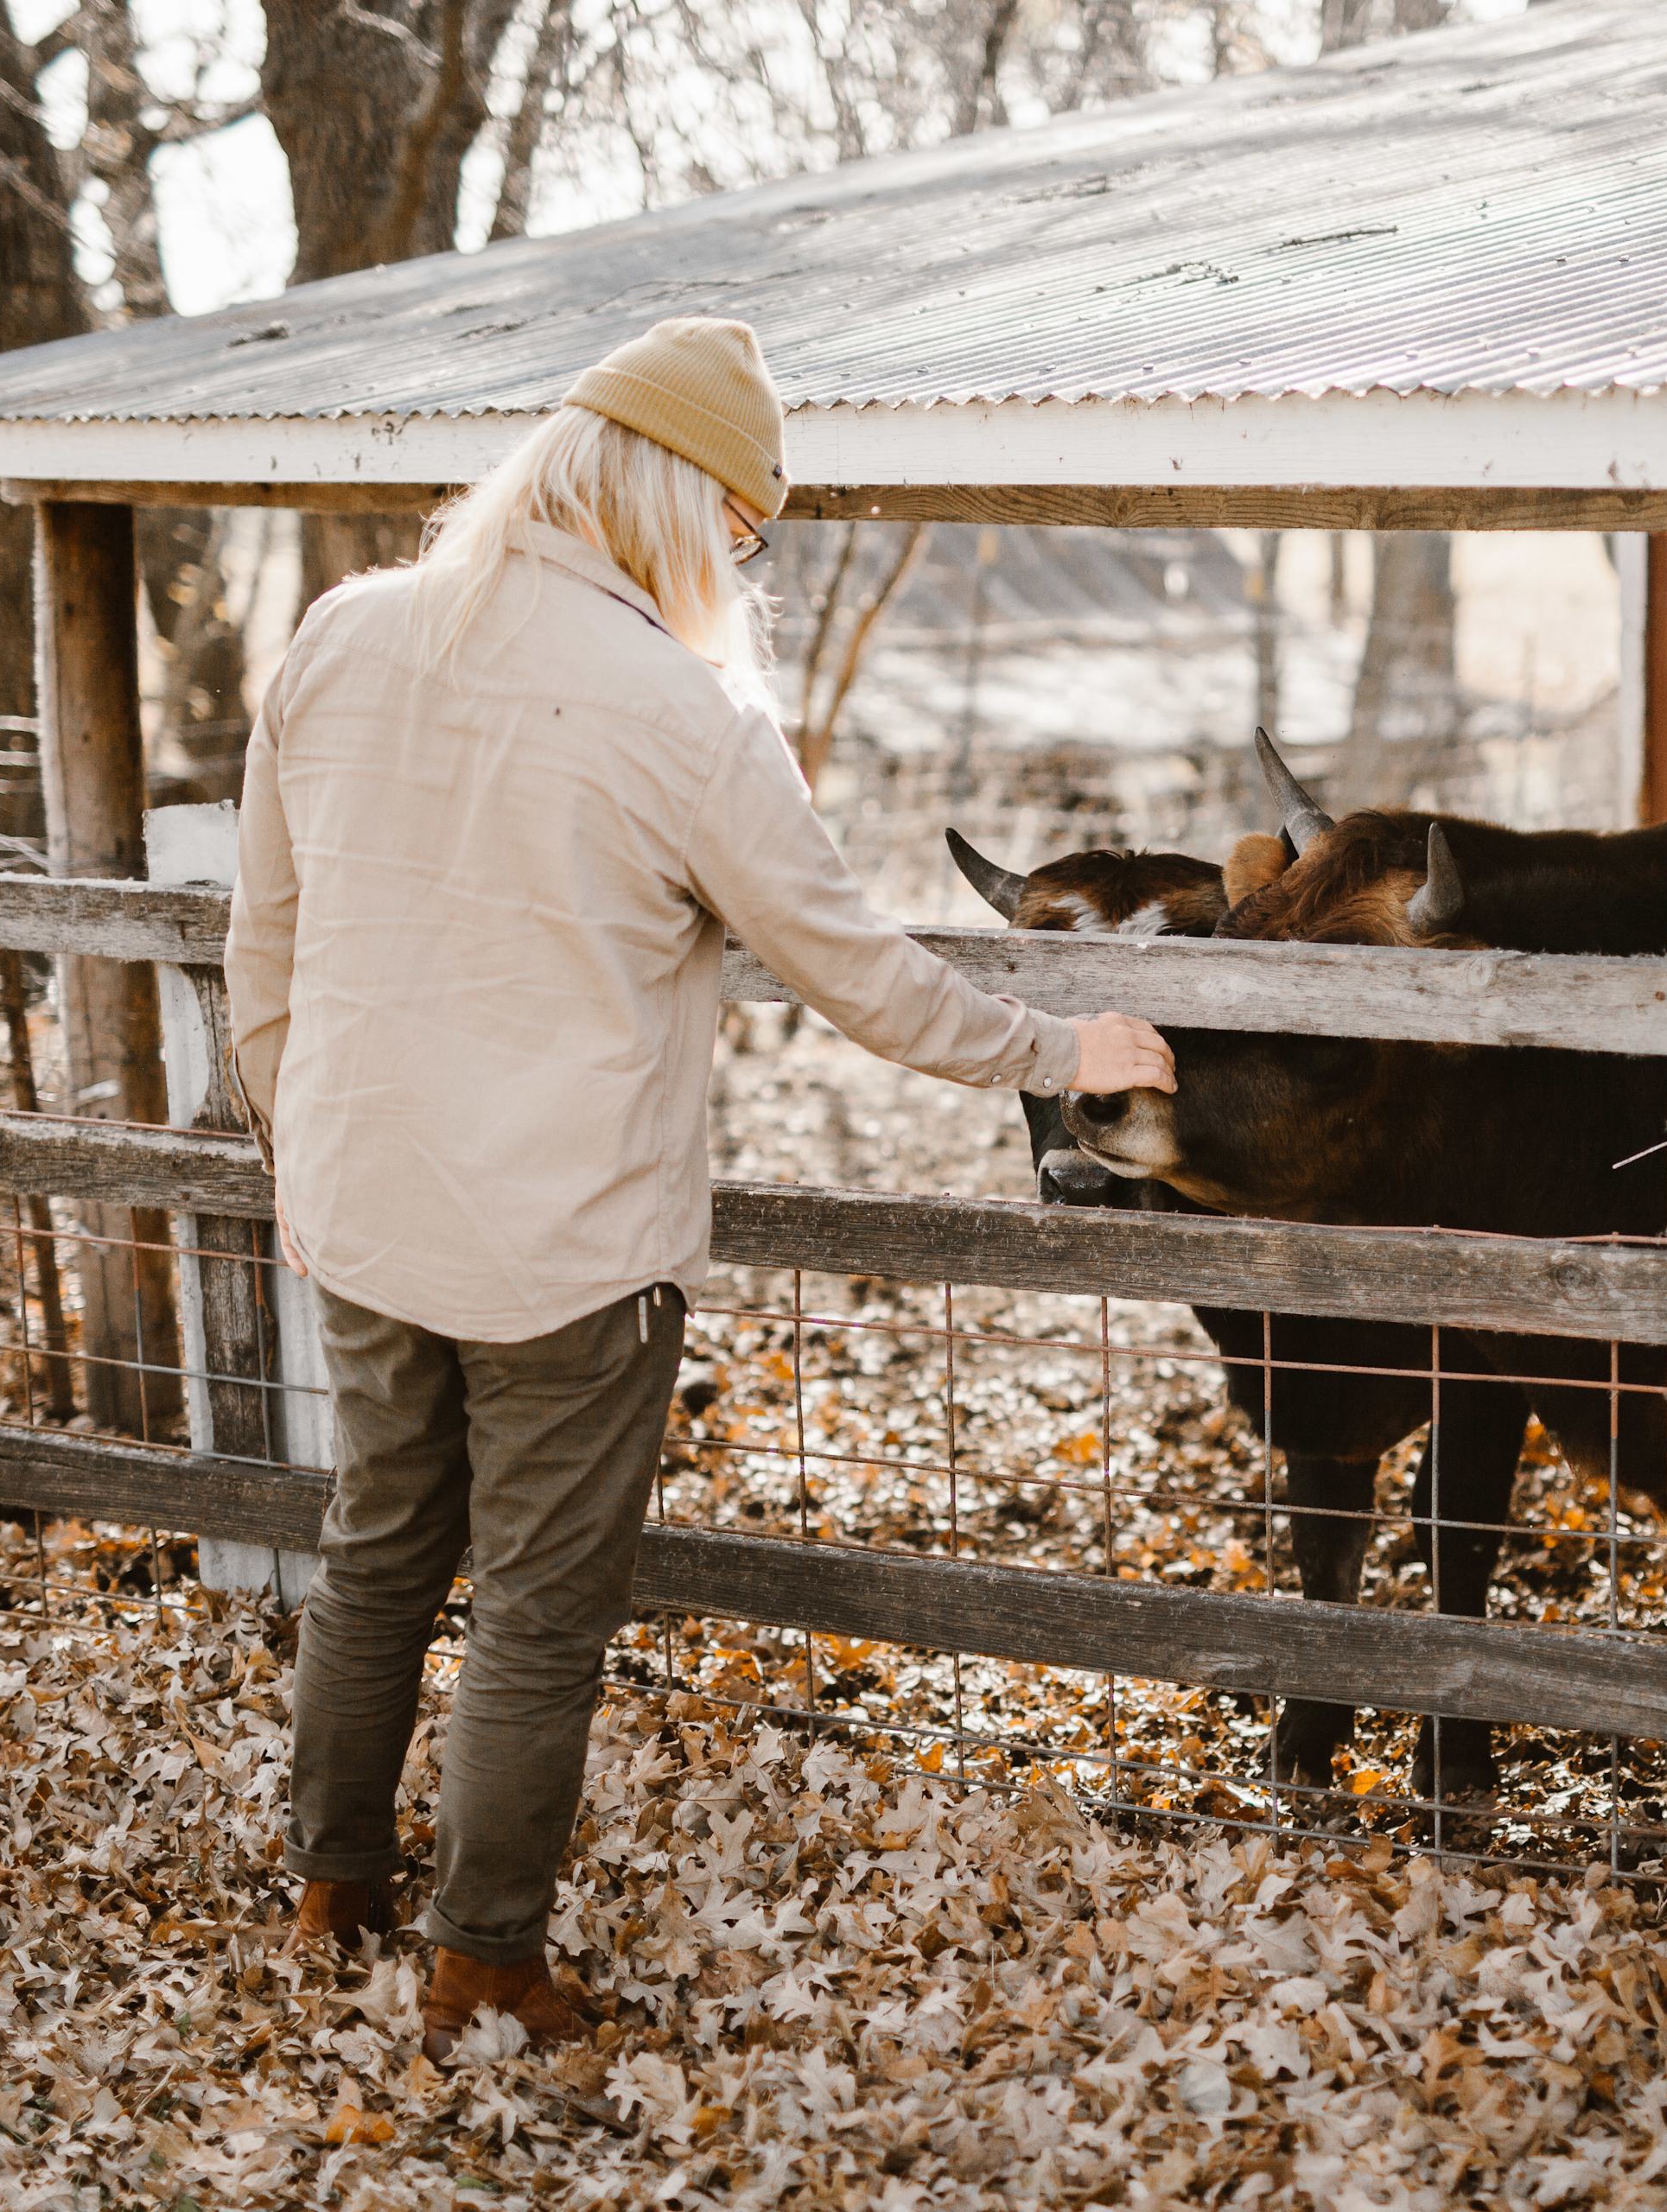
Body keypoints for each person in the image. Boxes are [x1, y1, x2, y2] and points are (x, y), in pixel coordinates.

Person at [222, 316, 1174, 2060]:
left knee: (372, 1551)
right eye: (741, 529)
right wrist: (1059, 1049)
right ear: (673, 498)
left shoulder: (343, 638)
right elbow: (855, 968)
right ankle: (484, 1959)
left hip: (364, 1201)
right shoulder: (684, 711)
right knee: (534, 1606)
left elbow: (262, 945)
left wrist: (304, 1147)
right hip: (568, 1244)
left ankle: (331, 1883)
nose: (738, 568)